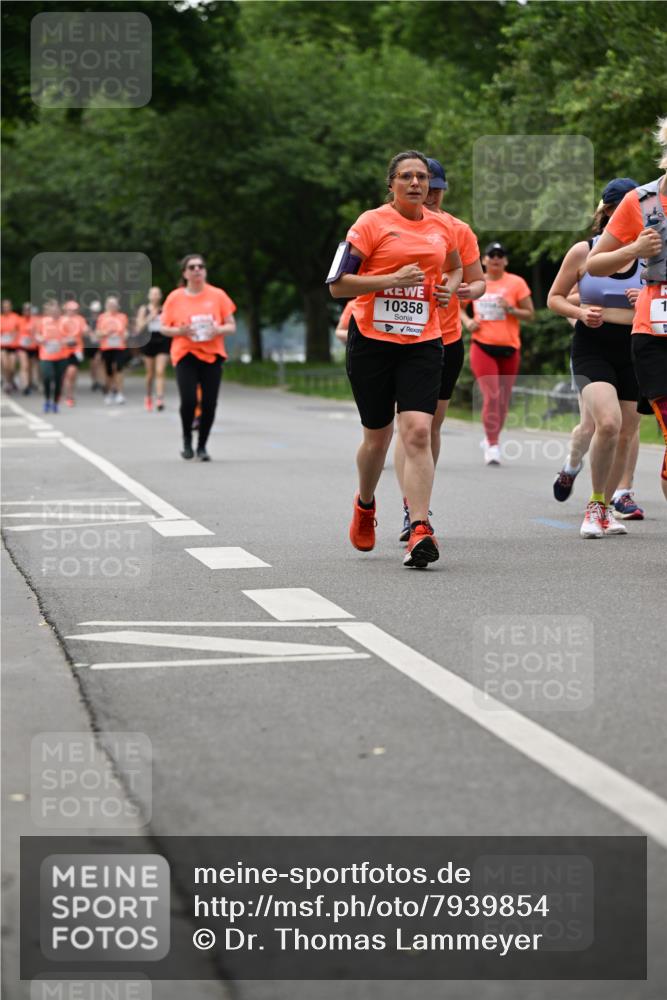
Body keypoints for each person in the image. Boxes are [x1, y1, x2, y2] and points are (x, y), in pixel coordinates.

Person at [328, 149, 462, 568]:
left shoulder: (443, 226)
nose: (417, 184)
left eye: (422, 177)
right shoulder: (370, 224)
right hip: (372, 341)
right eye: (406, 177)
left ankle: (420, 527)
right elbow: (337, 286)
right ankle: (365, 504)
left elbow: (455, 267)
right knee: (378, 437)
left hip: (424, 340)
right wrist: (391, 279)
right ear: (392, 184)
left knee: (419, 430)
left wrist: (448, 289)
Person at [393, 157, 486, 540]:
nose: (430, 195)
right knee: (411, 427)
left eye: (435, 188)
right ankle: (411, 510)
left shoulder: (456, 229)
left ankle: (419, 503)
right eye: (424, 187)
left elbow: (479, 283)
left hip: (446, 338)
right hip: (402, 339)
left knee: (432, 426)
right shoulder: (388, 225)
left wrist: (467, 290)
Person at [548, 178, 645, 536]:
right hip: (592, 345)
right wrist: (580, 313)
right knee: (604, 423)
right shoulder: (583, 252)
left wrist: (645, 301)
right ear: (605, 213)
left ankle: (607, 505)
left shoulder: (649, 253)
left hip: (635, 346)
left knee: (625, 431)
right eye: (618, 212)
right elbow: (554, 297)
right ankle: (593, 504)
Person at [587, 116, 667, 504]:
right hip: (655, 334)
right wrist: (634, 250)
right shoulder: (641, 201)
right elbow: (595, 264)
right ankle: (600, 499)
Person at [461, 242, 534, 465]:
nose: (495, 258)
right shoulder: (476, 283)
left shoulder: (516, 283)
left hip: (510, 348)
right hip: (482, 346)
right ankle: (492, 445)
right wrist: (468, 321)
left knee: (502, 401)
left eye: (500, 255)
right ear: (483, 259)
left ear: (506, 260)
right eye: (491, 255)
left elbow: (530, 314)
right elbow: (458, 307)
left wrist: (510, 309)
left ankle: (492, 437)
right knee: (491, 396)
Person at [160, 254, 237, 461]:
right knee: (189, 399)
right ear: (184, 273)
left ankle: (202, 445)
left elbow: (231, 325)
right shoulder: (175, 297)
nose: (197, 270)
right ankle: (187, 439)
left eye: (200, 266)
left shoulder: (218, 295)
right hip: (185, 353)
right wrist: (180, 331)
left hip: (212, 354)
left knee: (210, 403)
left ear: (205, 271)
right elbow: (164, 328)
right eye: (192, 267)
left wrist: (217, 329)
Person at [136, 286, 169, 411]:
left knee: (160, 370)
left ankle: (160, 398)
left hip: (162, 341)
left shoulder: (165, 309)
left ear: (160, 296)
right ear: (149, 296)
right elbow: (139, 328)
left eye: (157, 294)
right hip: (148, 341)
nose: (155, 296)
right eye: (153, 294)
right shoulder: (144, 309)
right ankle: (149, 396)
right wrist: (150, 317)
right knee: (150, 374)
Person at [36, 300, 69, 412]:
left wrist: (65, 340)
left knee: (58, 380)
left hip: (61, 355)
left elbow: (72, 336)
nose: (55, 313)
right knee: (47, 377)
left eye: (57, 311)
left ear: (60, 311)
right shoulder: (43, 321)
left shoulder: (65, 322)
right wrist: (40, 339)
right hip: (46, 355)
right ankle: (47, 400)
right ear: (50, 312)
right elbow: (37, 334)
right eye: (52, 311)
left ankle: (55, 402)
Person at [95, 296, 129, 404]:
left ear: (117, 306)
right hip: (106, 347)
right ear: (106, 306)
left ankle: (119, 393)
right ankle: (108, 392)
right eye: (110, 305)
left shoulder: (123, 317)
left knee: (119, 369)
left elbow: (126, 331)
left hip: (119, 346)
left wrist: (125, 335)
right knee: (108, 371)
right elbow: (98, 333)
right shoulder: (102, 318)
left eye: (114, 305)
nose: (112, 307)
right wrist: (106, 333)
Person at [60, 300, 89, 407]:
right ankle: (66, 395)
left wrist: (87, 331)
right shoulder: (61, 320)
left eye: (74, 310)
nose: (72, 312)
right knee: (65, 374)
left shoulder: (80, 319)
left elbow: (86, 330)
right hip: (63, 350)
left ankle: (70, 395)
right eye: (70, 309)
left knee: (72, 373)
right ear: (66, 310)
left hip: (76, 350)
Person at [17, 302, 40, 395]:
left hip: (33, 347)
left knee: (31, 367)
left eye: (29, 310)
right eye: (25, 310)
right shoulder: (19, 320)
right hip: (22, 347)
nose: (27, 311)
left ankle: (31, 383)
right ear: (23, 311)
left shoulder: (36, 321)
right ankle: (25, 386)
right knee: (24, 366)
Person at [1, 298, 21, 392]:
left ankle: (11, 380)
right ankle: (7, 382)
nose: (6, 308)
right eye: (4, 307)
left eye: (8, 306)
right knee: (5, 365)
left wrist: (15, 334)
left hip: (13, 346)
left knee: (12, 366)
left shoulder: (16, 317)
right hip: (3, 346)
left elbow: (21, 330)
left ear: (11, 307)